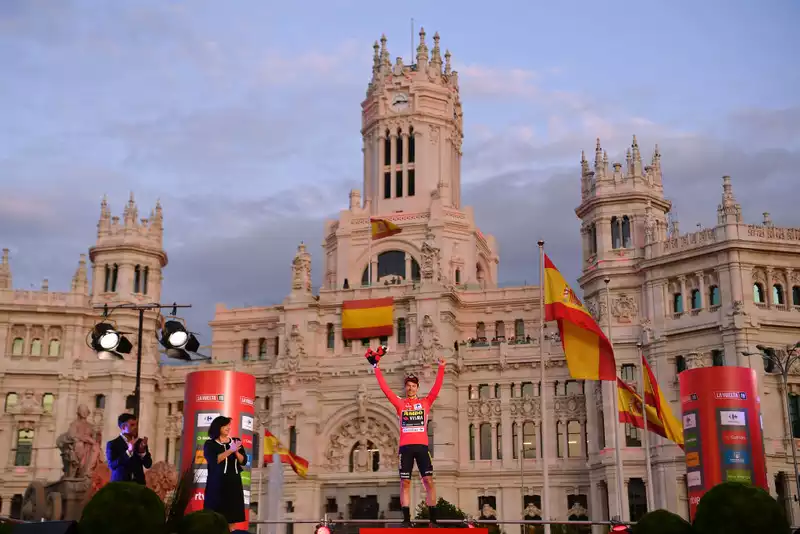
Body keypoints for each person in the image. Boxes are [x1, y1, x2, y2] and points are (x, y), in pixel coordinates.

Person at [371, 348, 445, 527]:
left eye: (413, 386)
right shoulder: (400, 403)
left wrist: (442, 368)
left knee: (428, 481)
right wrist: (376, 367)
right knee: (405, 482)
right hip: (405, 448)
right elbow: (385, 389)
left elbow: (436, 389)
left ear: (417, 388)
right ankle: (406, 520)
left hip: (421, 448)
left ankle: (433, 520)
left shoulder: (425, 402)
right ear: (405, 388)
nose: (411, 388)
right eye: (408, 386)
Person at [203, 415, 248, 531]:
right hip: (217, 484)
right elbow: (214, 459)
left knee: (232, 518)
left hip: (233, 483)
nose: (228, 428)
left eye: (229, 425)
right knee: (215, 518)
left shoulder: (236, 441)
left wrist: (236, 452)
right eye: (225, 425)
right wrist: (230, 451)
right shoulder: (210, 444)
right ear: (218, 427)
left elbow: (244, 461)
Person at [106, 413, 152, 484]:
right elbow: (112, 465)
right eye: (132, 425)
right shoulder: (112, 444)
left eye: (136, 424)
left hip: (138, 487)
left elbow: (148, 464)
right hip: (120, 486)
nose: (136, 427)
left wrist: (142, 452)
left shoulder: (140, 443)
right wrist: (128, 452)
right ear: (123, 427)